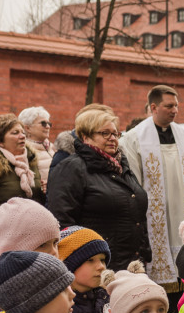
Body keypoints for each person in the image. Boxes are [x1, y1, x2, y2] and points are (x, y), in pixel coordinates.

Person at [120, 86, 184, 298]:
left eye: (176, 105)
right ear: (154, 107)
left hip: (183, 214)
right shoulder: (134, 138)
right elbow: (134, 183)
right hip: (153, 219)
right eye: (169, 106)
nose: (174, 110)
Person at [48, 107, 151, 271]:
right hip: (97, 265)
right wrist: (82, 259)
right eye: (105, 133)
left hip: (132, 262)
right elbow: (61, 221)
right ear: (86, 136)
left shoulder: (120, 166)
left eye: (115, 134)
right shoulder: (72, 168)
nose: (112, 138)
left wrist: (144, 251)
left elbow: (137, 210)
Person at [0, 198, 61, 310]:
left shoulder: (45, 278)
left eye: (55, 243)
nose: (54, 252)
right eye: (42, 245)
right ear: (13, 249)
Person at [0, 113, 44, 209]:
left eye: (23, 132)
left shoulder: (30, 160)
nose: (22, 136)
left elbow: (38, 200)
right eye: (15, 133)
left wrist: (45, 192)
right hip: (2, 222)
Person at [58, 226, 112, 313]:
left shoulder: (108, 298)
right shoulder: (59, 306)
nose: (101, 266)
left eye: (102, 260)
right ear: (70, 265)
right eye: (90, 260)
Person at [18, 106, 55, 188]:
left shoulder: (52, 148)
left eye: (49, 123)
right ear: (27, 128)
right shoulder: (23, 151)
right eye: (43, 123)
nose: (48, 126)